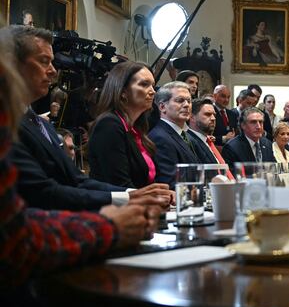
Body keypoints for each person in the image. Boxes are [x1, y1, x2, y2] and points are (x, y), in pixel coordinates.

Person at [0, 0, 158, 290]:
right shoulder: (19, 115)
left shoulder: (35, 118)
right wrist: (112, 221)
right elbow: (18, 234)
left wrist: (120, 206)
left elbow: (70, 180)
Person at [1, 25, 171, 211]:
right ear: (10, 64)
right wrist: (130, 199)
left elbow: (78, 180)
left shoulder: (42, 124)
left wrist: (132, 195)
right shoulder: (8, 123)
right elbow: (44, 192)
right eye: (43, 61)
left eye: (52, 62)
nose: (53, 71)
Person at [88, 62, 161, 190]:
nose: (153, 91)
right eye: (144, 84)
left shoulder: (136, 129)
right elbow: (119, 185)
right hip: (115, 208)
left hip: (139, 205)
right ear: (123, 91)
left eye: (153, 86)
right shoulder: (109, 125)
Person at [149, 81, 215, 188]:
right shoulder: (160, 137)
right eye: (180, 100)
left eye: (189, 101)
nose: (186, 105)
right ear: (162, 107)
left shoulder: (187, 135)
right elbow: (172, 184)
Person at [189, 98, 233, 178]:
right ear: (192, 117)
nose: (213, 118)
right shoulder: (189, 141)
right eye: (207, 114)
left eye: (214, 115)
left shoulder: (208, 140)